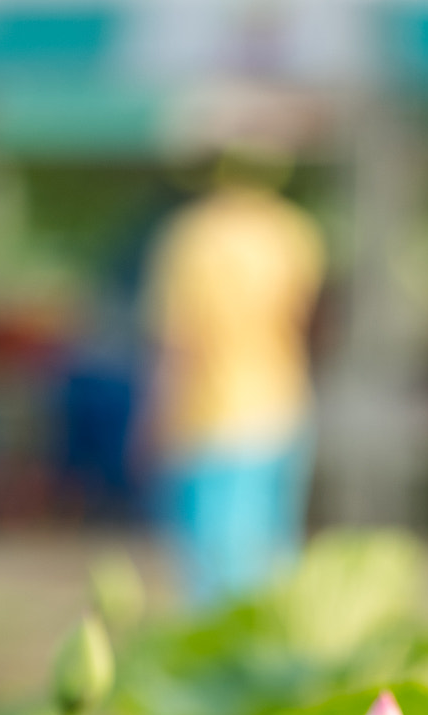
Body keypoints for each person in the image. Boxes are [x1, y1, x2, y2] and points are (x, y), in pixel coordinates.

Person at [143, 153, 325, 609]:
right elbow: (305, 320)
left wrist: (154, 416)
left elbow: (182, 340)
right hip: (283, 402)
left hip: (212, 413)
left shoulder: (191, 236)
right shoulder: (294, 231)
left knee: (213, 566)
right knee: (272, 556)